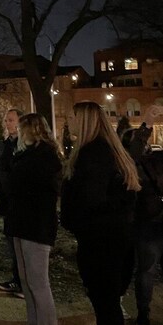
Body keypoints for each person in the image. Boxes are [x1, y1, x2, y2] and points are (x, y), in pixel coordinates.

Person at [61, 101, 140, 325]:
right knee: (108, 302)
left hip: (100, 242)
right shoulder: (107, 150)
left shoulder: (93, 154)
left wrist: (72, 218)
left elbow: (91, 200)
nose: (69, 121)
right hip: (114, 238)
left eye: (72, 117)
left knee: (105, 304)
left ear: (85, 121)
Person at [5, 113, 62, 325]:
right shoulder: (24, 155)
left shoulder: (45, 157)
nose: (18, 134)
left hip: (36, 225)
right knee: (27, 281)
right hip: (21, 223)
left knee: (38, 282)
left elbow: (37, 189)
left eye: (22, 130)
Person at [125, 106, 163, 325]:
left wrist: (147, 124)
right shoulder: (146, 161)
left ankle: (144, 314)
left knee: (146, 271)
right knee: (146, 271)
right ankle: (144, 314)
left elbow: (134, 154)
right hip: (150, 222)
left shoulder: (149, 162)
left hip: (149, 222)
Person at [0, 108, 24, 297]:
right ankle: (17, 279)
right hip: (7, 202)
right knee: (12, 244)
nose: (8, 123)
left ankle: (22, 282)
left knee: (20, 246)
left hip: (17, 202)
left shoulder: (22, 146)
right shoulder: (7, 144)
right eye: (6, 120)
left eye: (11, 120)